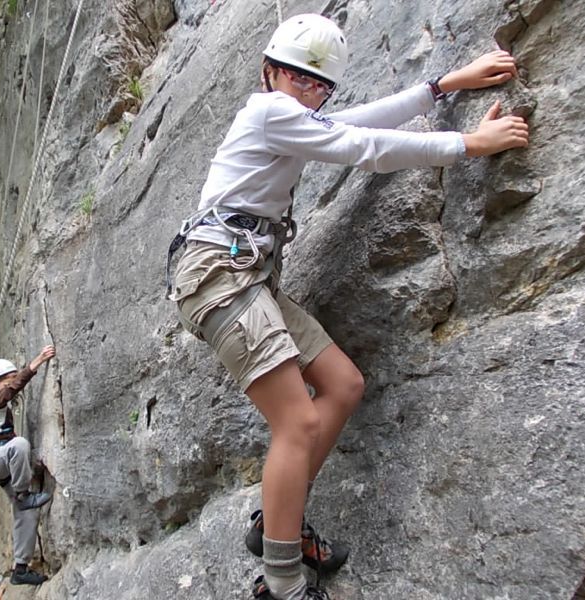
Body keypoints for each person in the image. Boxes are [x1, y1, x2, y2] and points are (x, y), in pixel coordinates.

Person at [167, 14, 528, 600]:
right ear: (269, 72)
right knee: (297, 421)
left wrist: (441, 86)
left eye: (319, 85)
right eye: (296, 77)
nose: (307, 92)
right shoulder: (268, 110)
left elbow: (350, 123)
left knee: (342, 384)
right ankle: (282, 584)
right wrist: (468, 144)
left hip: (248, 275)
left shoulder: (289, 115)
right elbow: (362, 146)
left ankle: (275, 523)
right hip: (219, 275)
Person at [0, 345, 56, 586]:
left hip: (4, 464)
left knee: (28, 513)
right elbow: (9, 392)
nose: (10, 382)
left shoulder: (0, 403)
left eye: (12, 377)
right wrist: (35, 363)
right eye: (6, 379)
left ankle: (20, 569)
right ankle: (23, 494)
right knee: (19, 444)